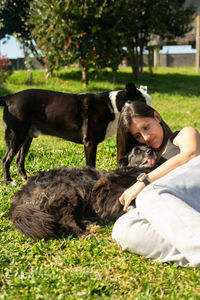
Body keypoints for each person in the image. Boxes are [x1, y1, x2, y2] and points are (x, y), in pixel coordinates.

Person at [112, 101, 200, 267]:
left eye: (146, 127)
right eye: (138, 136)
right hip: (180, 209)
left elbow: (191, 155)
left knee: (149, 195)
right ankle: (192, 249)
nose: (145, 138)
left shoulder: (183, 135)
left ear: (157, 117)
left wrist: (144, 182)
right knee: (123, 227)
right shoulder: (146, 160)